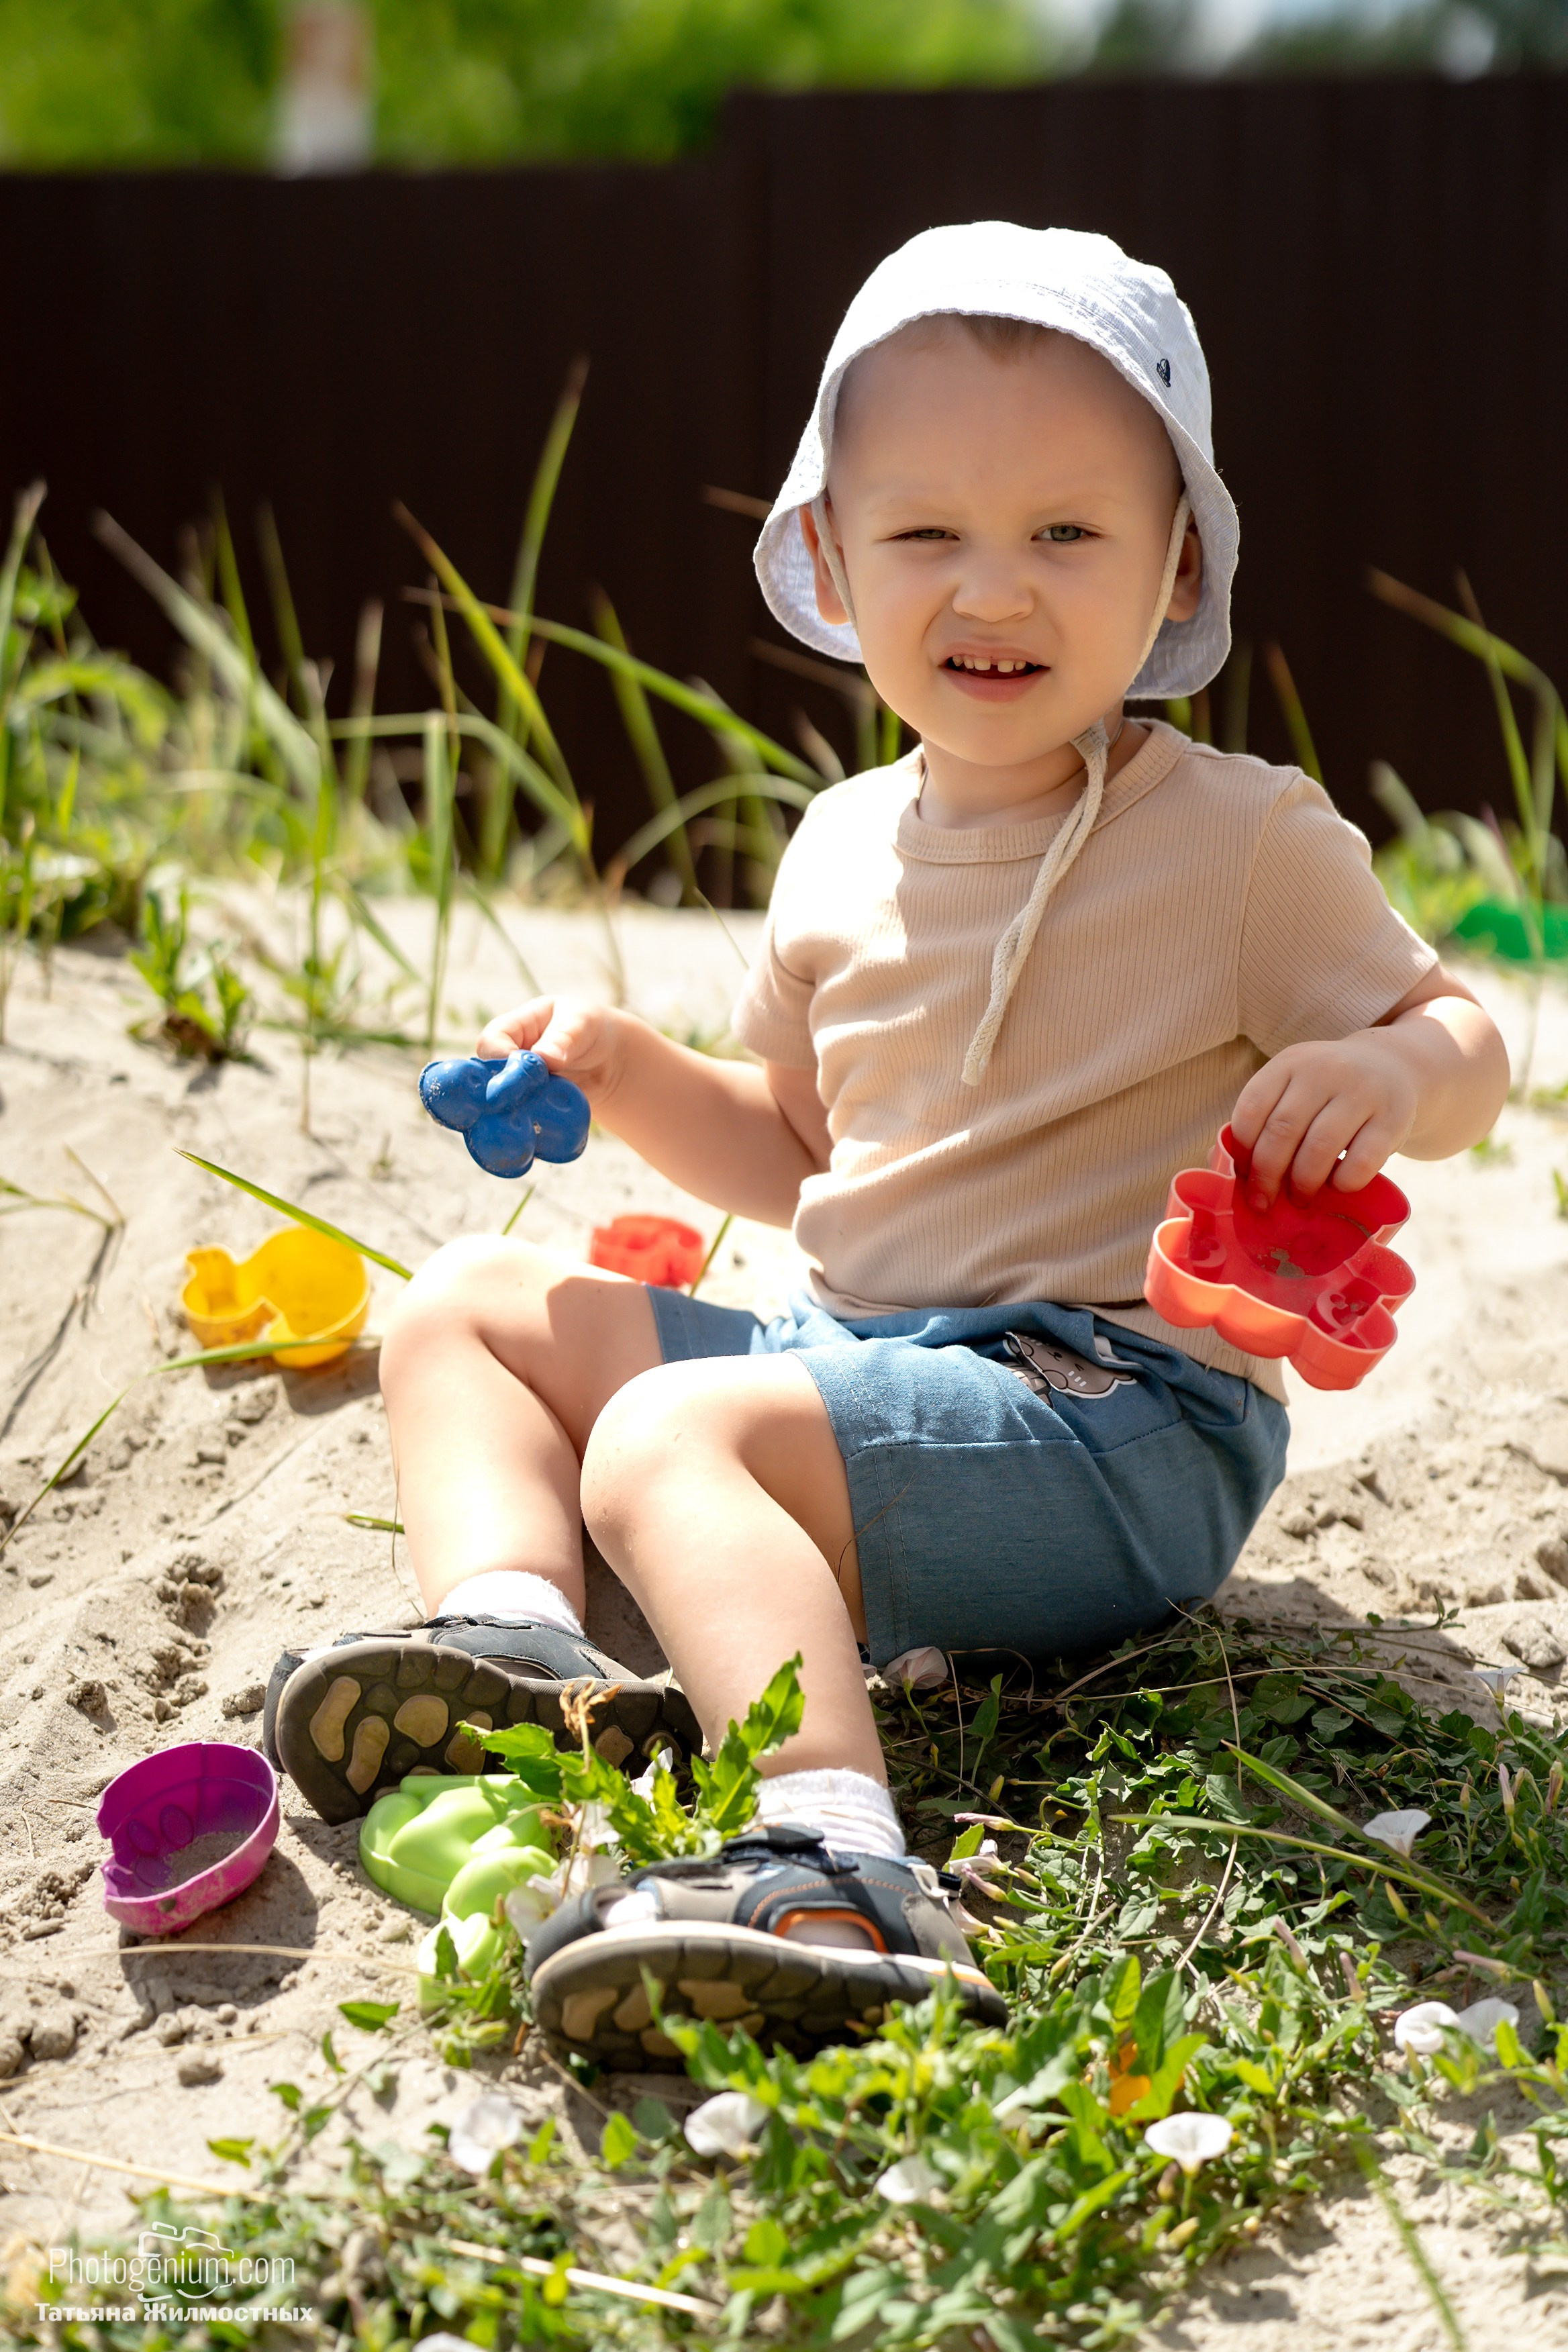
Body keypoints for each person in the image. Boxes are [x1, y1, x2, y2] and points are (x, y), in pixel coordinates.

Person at [265, 223, 1508, 2059]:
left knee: (674, 1429)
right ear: (832, 559)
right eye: (928, 533)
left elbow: (1463, 1033)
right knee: (463, 1307)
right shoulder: (839, 847)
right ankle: (514, 1652)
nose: (992, 592)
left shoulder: (1240, 840)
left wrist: (1397, 1082)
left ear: (1175, 567)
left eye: (1067, 535)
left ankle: (835, 1858)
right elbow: (800, 1154)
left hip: (1115, 1415)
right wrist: (616, 1065)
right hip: (855, 1376)